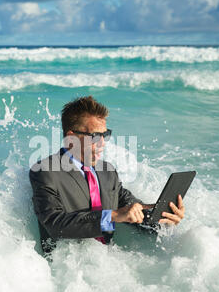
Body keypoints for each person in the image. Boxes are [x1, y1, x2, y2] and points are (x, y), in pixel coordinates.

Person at [29, 96, 185, 254]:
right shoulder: (45, 171)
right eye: (96, 136)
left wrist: (163, 219)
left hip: (106, 264)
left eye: (105, 135)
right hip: (64, 270)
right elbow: (54, 224)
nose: (103, 143)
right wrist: (112, 216)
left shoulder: (108, 172)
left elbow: (134, 212)